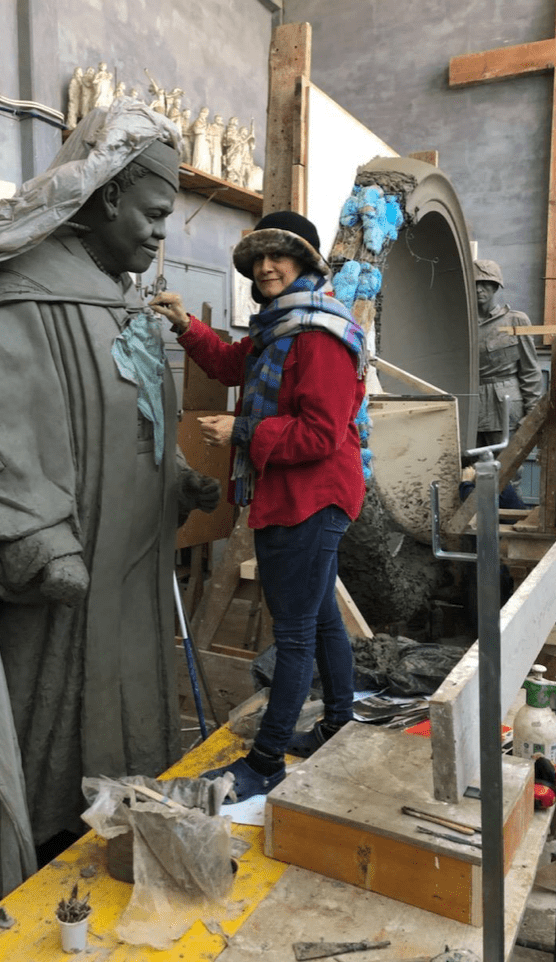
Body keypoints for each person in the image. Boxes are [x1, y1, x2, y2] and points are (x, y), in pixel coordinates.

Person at [0, 100, 216, 925]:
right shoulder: (17, 301)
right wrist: (33, 536)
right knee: (55, 734)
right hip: (62, 587)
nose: (159, 235)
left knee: (132, 713)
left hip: (129, 573)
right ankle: (43, 856)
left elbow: (131, 415)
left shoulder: (117, 300)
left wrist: (172, 477)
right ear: (102, 197)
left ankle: (118, 823)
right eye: (154, 213)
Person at [151, 211, 368, 801]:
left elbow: (320, 434)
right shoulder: (280, 330)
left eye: (280, 256)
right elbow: (231, 364)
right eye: (258, 260)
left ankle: (265, 762)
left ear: (306, 263)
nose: (267, 267)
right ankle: (338, 721)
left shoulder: (316, 336)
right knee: (321, 618)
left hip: (310, 499)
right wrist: (184, 325)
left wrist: (244, 431)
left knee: (294, 636)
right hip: (303, 496)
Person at [475, 258, 543, 450]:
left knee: (506, 468)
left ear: (496, 286)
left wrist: (531, 412)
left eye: (485, 283)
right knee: (468, 469)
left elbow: (530, 370)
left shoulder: (516, 321)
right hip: (470, 405)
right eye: (475, 284)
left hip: (505, 407)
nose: (480, 289)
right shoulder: (461, 324)